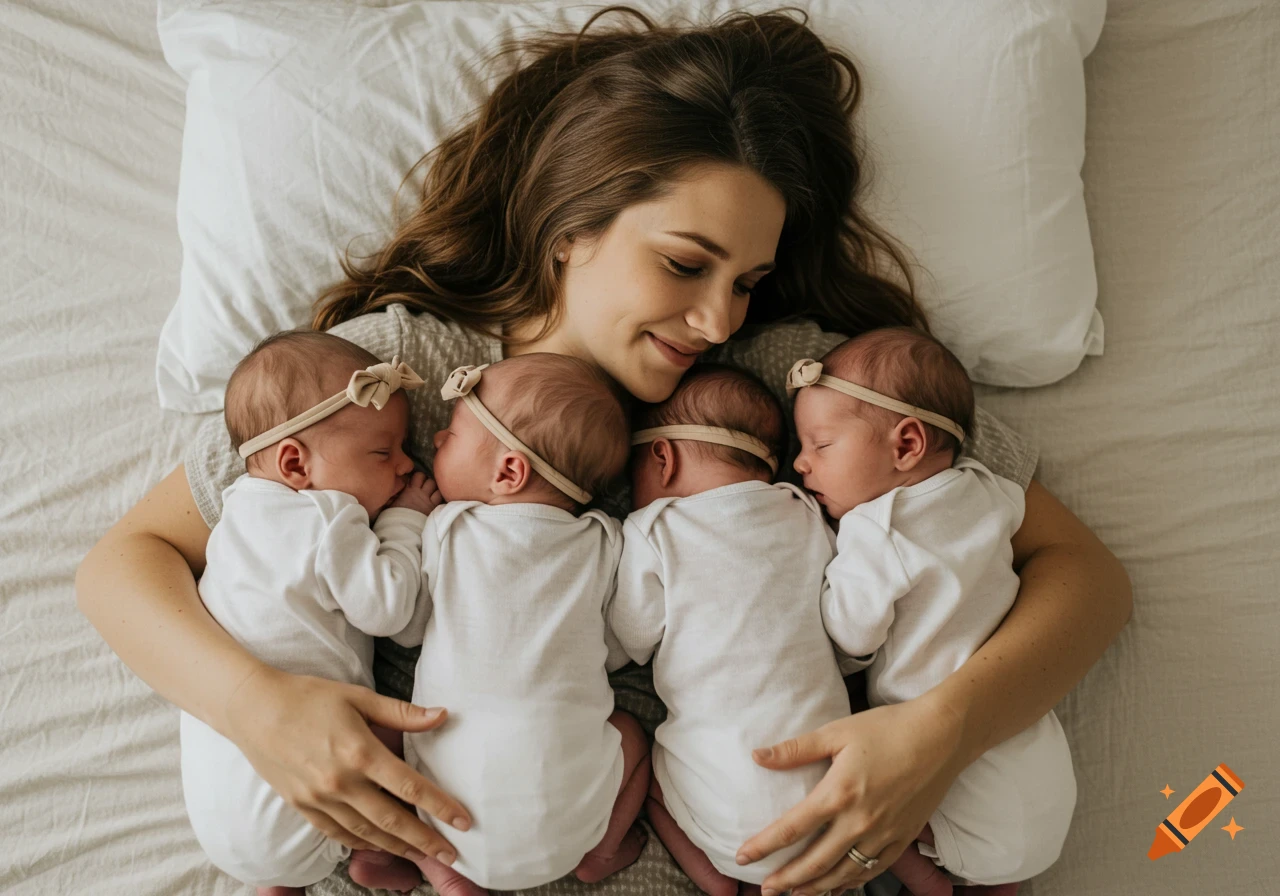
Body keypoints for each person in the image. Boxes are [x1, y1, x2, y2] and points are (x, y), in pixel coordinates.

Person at [75, 8, 1130, 896]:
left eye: (746, 280)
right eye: (685, 263)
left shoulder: (809, 387)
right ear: (569, 227)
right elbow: (126, 564)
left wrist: (940, 729)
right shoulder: (393, 379)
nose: (718, 316)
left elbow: (1081, 578)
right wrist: (256, 708)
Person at [790, 328, 1077, 895]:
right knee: (1001, 854)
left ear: (906, 446)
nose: (800, 462)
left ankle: (930, 882)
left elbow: (849, 636)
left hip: (946, 776)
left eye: (821, 445)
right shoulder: (989, 490)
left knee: (867, 816)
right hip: (1035, 768)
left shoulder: (876, 530)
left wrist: (825, 567)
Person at [179, 331, 442, 896]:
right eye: (383, 451)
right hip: (311, 793)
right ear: (296, 462)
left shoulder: (231, 523)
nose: (404, 464)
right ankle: (388, 852)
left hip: (219, 812)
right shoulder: (327, 515)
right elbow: (390, 610)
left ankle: (276, 883)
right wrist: (407, 521)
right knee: (417, 729)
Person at [392, 355, 650, 894]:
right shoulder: (603, 541)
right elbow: (620, 646)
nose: (436, 437)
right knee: (630, 733)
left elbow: (408, 629)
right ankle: (601, 851)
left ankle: (429, 864)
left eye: (454, 433)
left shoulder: (451, 527)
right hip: (567, 825)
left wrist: (409, 515)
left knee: (385, 732)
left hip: (448, 804)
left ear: (508, 472)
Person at [610, 364, 854, 896]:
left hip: (724, 815)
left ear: (661, 458)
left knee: (647, 770)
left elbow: (630, 636)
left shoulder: (655, 527)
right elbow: (842, 613)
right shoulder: (807, 513)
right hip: (834, 805)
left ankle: (715, 880)